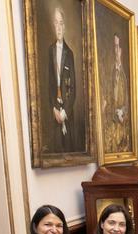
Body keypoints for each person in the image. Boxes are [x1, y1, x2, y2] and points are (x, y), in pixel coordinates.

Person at [48, 7, 76, 153]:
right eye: (56, 23)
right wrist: (54, 109)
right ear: (54, 26)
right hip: (54, 112)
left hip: (67, 113)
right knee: (55, 150)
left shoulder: (69, 54)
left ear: (64, 27)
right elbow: (49, 85)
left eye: (61, 23)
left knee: (69, 149)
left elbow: (74, 90)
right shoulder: (50, 51)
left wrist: (64, 113)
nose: (58, 27)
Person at [104, 33, 129, 152]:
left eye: (118, 47)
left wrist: (122, 111)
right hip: (111, 120)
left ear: (122, 50)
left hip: (122, 122)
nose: (116, 51)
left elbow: (128, 102)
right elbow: (107, 95)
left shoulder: (125, 75)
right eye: (114, 47)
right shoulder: (110, 72)